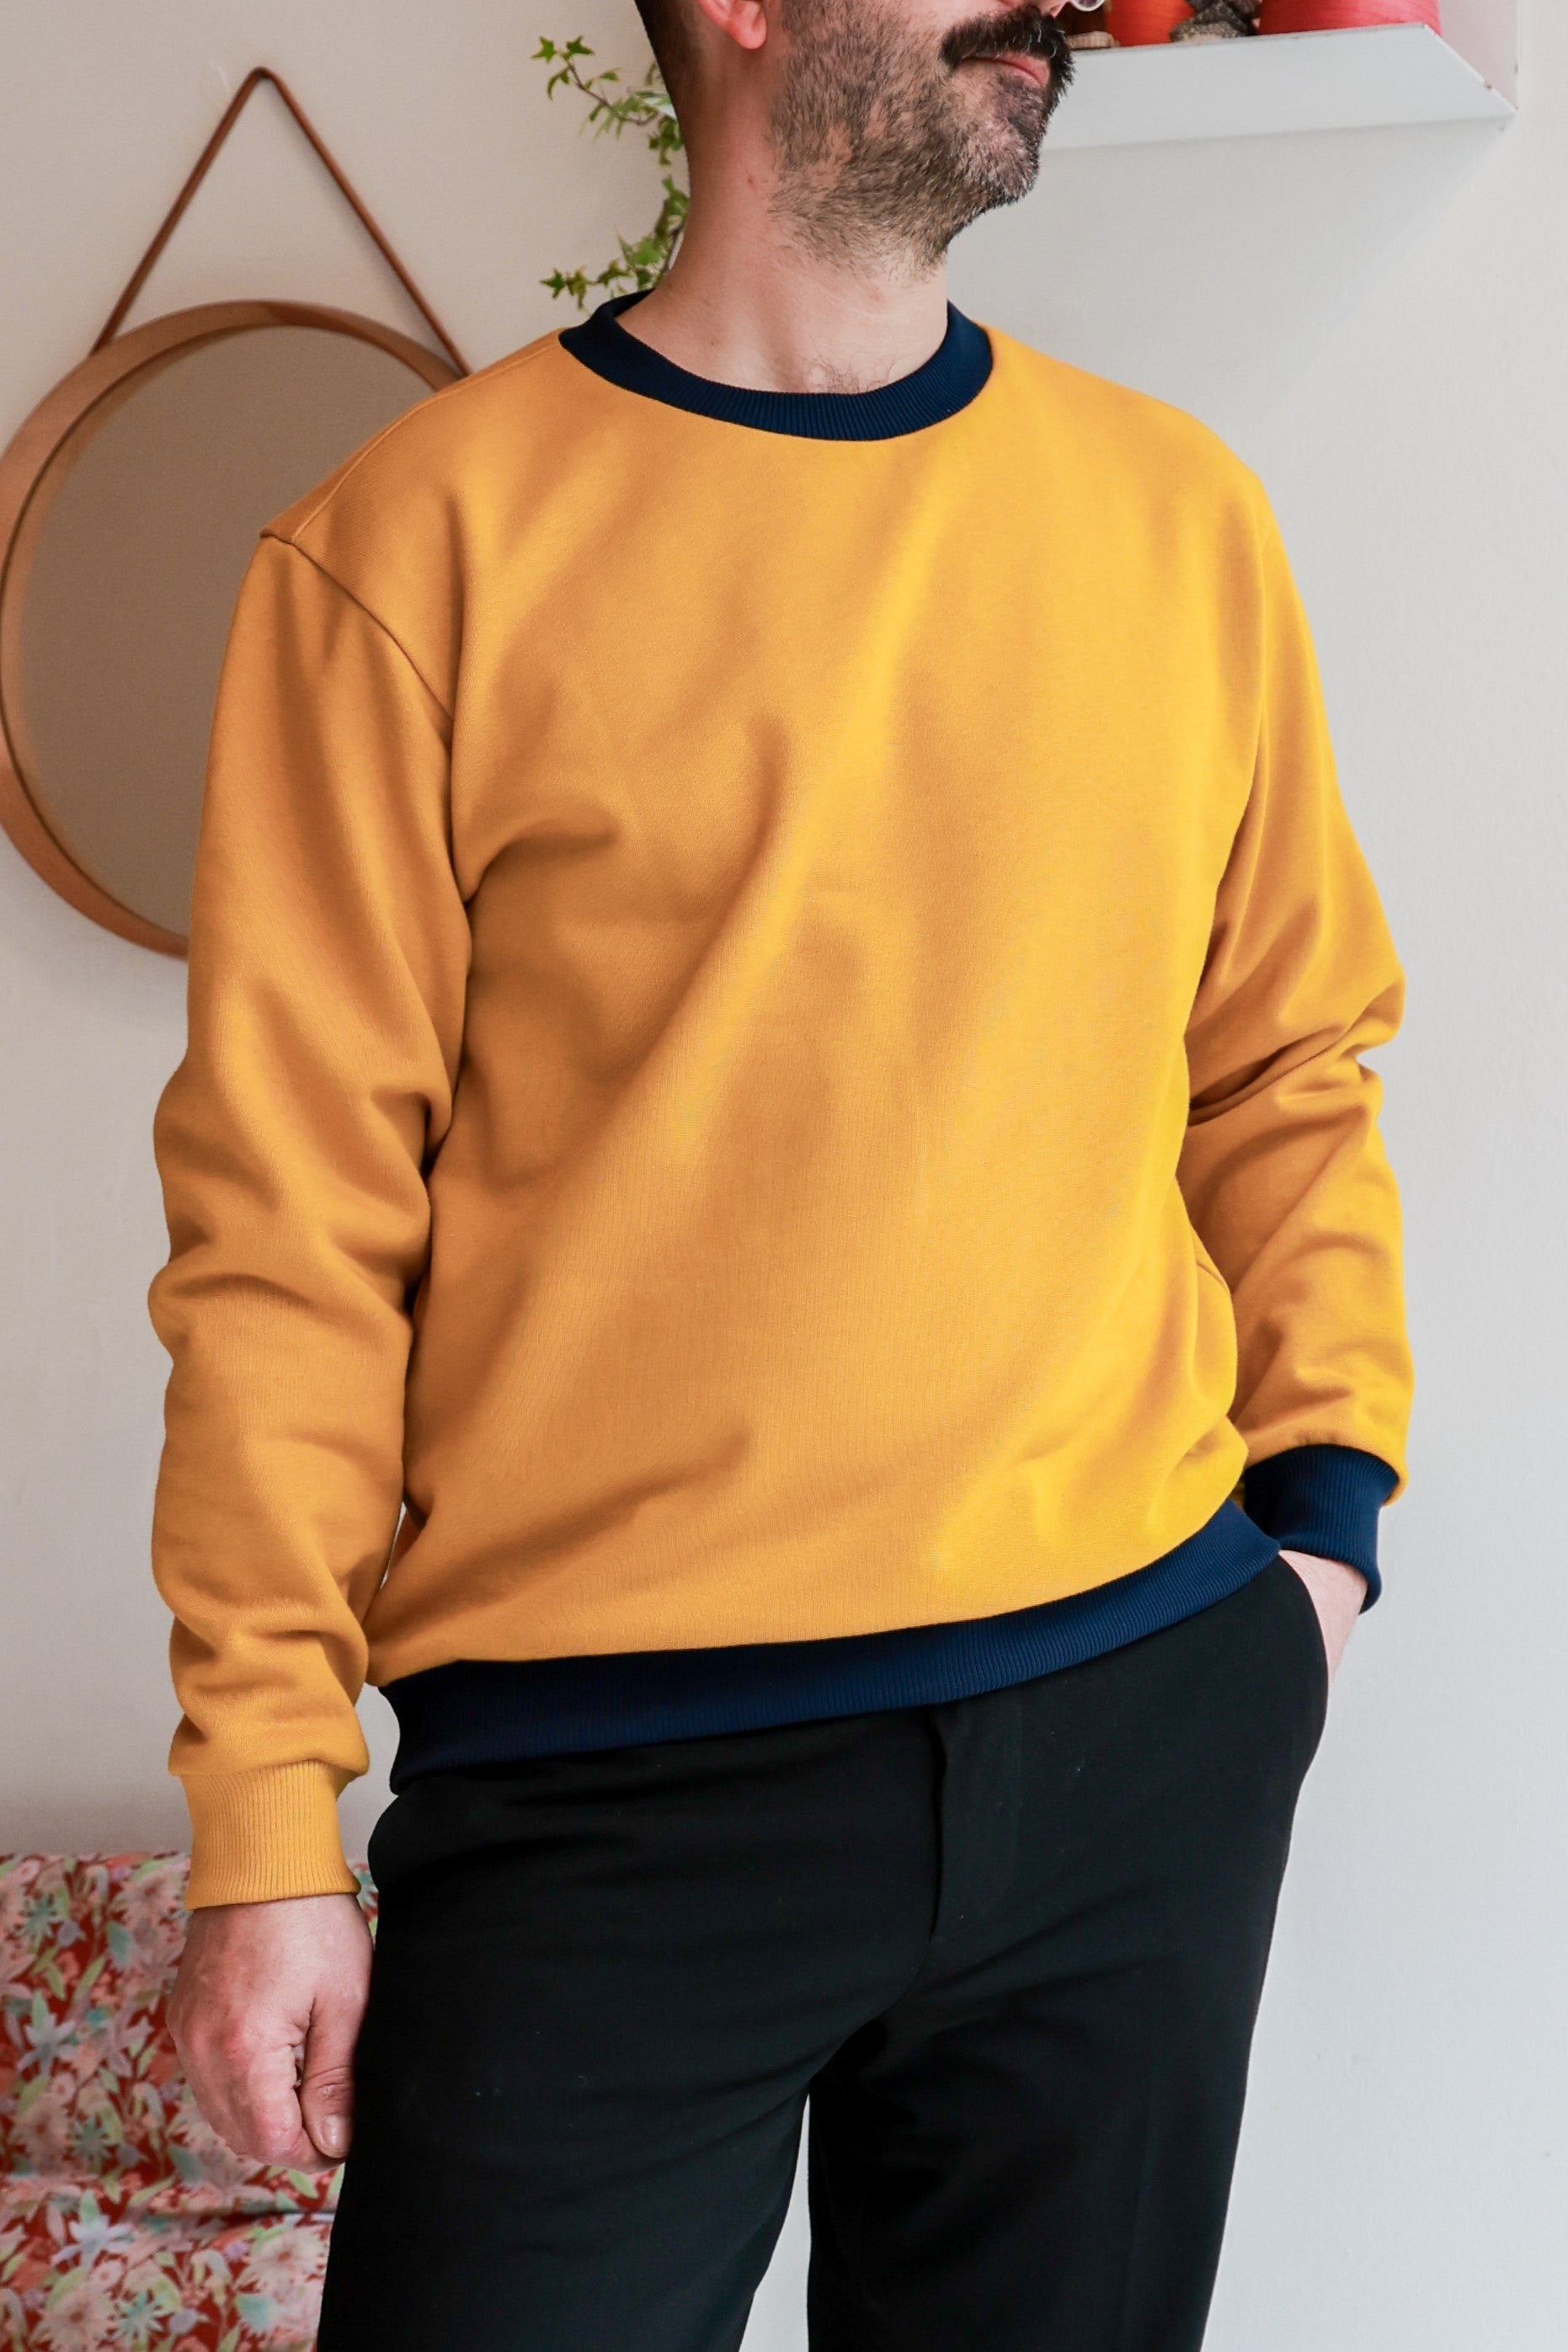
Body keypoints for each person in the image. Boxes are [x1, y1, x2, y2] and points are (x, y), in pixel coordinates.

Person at [151, 3, 1412, 2345]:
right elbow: (288, 1237)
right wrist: (265, 1823)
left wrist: (1319, 1528)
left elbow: (1283, 1061)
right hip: (605, 1793)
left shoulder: (1177, 518)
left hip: (1136, 1719)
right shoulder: (409, 551)